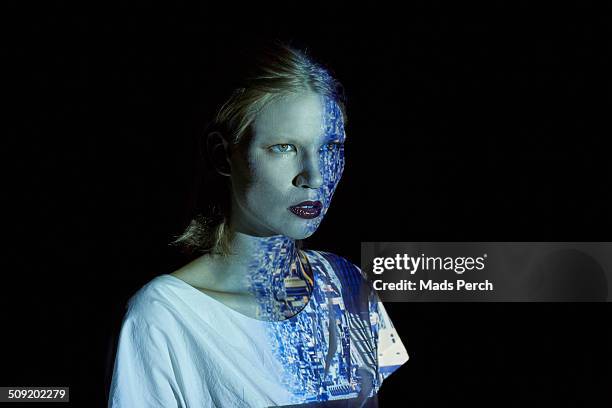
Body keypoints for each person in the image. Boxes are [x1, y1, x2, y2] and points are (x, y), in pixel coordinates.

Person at [108, 39, 409, 407]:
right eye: (284, 147)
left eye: (329, 148)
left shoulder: (347, 286)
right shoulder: (165, 317)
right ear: (223, 154)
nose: (314, 176)